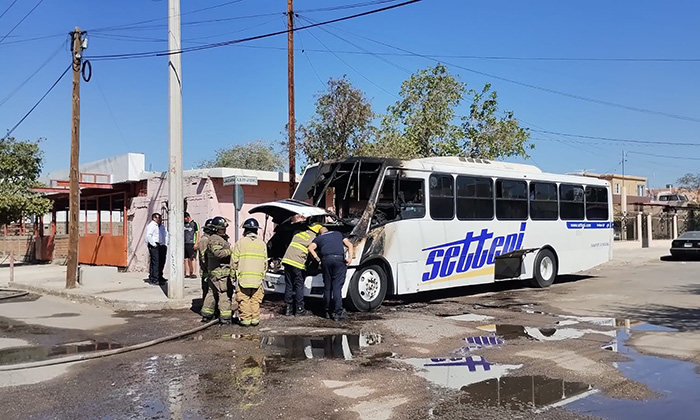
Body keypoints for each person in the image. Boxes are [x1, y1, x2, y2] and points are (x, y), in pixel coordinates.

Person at [307, 227, 354, 321]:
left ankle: (327, 311)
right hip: (339, 260)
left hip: (326, 260)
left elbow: (310, 248)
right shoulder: (338, 233)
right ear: (327, 230)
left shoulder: (319, 238)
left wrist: (318, 260)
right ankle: (338, 313)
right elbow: (350, 245)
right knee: (337, 287)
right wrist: (350, 258)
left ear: (320, 233)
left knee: (327, 287)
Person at [281, 222, 322, 316]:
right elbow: (312, 251)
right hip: (297, 263)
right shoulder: (314, 238)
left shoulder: (298, 232)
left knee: (289, 284)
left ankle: (288, 309)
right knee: (299, 285)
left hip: (287, 260)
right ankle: (299, 309)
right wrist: (318, 260)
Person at [232, 218, 267, 327]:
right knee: (255, 300)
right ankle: (255, 319)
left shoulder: (240, 243)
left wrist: (232, 275)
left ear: (245, 230)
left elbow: (234, 261)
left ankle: (246, 320)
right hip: (257, 280)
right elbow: (265, 263)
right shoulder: (262, 244)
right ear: (256, 230)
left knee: (244, 299)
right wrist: (262, 276)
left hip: (243, 279)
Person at [200, 216, 236, 324]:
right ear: (215, 229)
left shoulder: (218, 238)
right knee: (223, 294)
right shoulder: (215, 239)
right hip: (220, 274)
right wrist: (230, 252)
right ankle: (225, 318)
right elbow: (217, 253)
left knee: (211, 293)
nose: (224, 230)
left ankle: (207, 314)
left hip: (215, 273)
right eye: (222, 228)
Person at [145, 212, 168, 285]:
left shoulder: (161, 226)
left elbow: (166, 235)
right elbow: (148, 236)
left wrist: (166, 244)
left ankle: (159, 276)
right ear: (154, 218)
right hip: (155, 245)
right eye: (159, 218)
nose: (160, 219)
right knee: (156, 262)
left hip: (162, 245)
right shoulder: (152, 225)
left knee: (161, 261)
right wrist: (154, 244)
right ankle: (155, 278)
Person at [194, 218, 213, 300]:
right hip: (206, 270)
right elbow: (203, 257)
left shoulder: (209, 239)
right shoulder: (205, 240)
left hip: (208, 270)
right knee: (207, 290)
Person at [184, 212, 200, 279]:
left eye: (184, 218)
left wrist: (196, 243)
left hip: (192, 243)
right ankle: (187, 273)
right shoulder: (183, 224)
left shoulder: (194, 224)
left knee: (192, 258)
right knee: (185, 259)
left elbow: (197, 233)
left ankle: (193, 272)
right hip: (185, 243)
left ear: (187, 217)